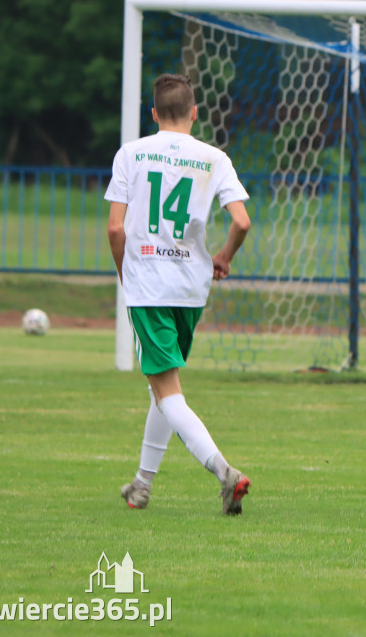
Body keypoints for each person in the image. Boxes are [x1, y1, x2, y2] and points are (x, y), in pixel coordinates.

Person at [107, 73, 253, 515]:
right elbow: (242, 221)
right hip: (191, 286)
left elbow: (116, 227)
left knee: (167, 388)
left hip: (149, 284)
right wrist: (223, 255)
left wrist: (125, 273)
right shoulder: (214, 158)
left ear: (153, 113)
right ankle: (142, 484)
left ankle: (225, 472)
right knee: (164, 384)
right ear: (194, 112)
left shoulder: (131, 153)